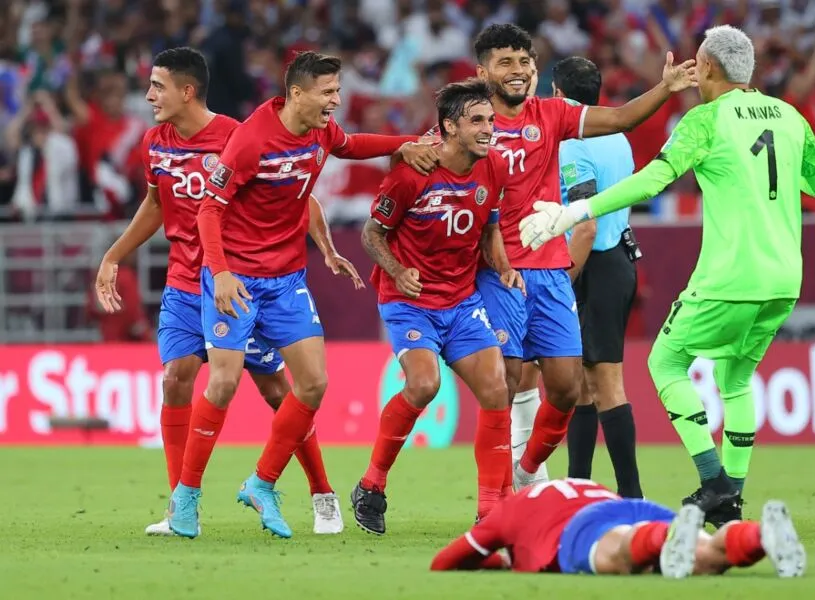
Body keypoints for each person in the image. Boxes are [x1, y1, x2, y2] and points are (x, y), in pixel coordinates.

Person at [519, 25, 815, 527]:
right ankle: (731, 504)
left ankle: (714, 483)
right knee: (737, 379)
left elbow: (654, 179)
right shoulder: (791, 117)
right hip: (784, 278)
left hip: (730, 275)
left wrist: (575, 213)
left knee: (666, 364)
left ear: (707, 67)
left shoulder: (704, 120)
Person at [166, 50, 439, 539]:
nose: (336, 101)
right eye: (328, 93)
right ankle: (185, 498)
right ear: (296, 94)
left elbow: (351, 145)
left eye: (337, 91)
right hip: (237, 278)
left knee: (313, 383)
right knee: (224, 383)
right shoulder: (250, 140)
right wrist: (222, 272)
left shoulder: (321, 131)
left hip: (286, 280)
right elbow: (208, 210)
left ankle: (262, 482)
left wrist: (408, 143)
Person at [94, 47, 355, 536]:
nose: (148, 95)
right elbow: (154, 204)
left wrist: (324, 248)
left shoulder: (237, 136)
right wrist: (113, 255)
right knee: (176, 377)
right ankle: (180, 508)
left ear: (187, 91)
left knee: (280, 392)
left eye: (157, 86)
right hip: (185, 284)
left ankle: (322, 492)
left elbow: (300, 193)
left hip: (238, 280)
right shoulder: (156, 143)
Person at [471, 23, 697, 491]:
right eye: (505, 62)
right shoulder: (472, 123)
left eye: (524, 61)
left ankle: (531, 471)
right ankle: (498, 496)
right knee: (509, 385)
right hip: (508, 270)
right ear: (483, 71)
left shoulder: (555, 121)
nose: (517, 71)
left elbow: (619, 122)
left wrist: (666, 87)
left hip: (561, 267)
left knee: (568, 386)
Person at [351, 79, 524, 535]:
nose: (489, 129)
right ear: (450, 126)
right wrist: (397, 270)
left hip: (462, 301)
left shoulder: (493, 168)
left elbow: (489, 229)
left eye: (490, 120)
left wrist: (504, 267)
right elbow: (371, 234)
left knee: (496, 389)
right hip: (410, 302)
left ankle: (489, 512)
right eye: (478, 121)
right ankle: (372, 485)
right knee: (424, 384)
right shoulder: (413, 172)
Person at [552, 56, 643, 496]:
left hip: (593, 261)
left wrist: (563, 278)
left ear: (556, 95)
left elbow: (585, 223)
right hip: (619, 257)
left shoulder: (573, 142)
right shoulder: (617, 135)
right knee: (586, 386)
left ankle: (631, 496)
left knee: (605, 384)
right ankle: (579, 487)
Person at [430, 478, 806, 579]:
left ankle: (664, 541)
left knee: (618, 553)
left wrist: (503, 562)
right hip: (628, 505)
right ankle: (759, 535)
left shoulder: (509, 510)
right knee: (706, 558)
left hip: (581, 528)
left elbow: (444, 562)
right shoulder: (579, 484)